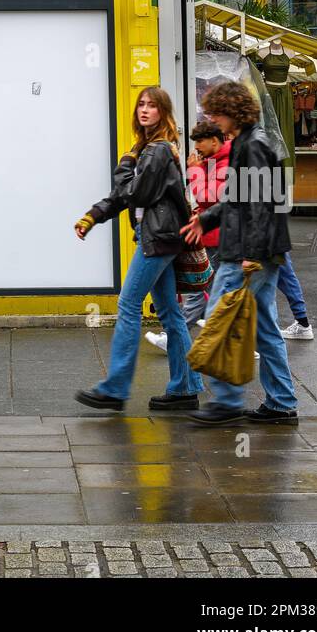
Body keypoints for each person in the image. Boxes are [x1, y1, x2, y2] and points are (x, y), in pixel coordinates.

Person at [73, 87, 204, 412]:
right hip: (160, 237)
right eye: (141, 105)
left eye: (152, 106)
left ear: (163, 112)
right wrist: (93, 216)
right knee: (172, 315)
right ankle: (185, 388)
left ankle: (116, 388)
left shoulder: (157, 151)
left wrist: (124, 166)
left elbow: (138, 193)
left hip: (158, 239)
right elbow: (124, 195)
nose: (145, 110)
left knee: (129, 304)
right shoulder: (145, 150)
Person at [182, 80, 298, 426]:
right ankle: (281, 403)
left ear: (233, 112)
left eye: (216, 112)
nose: (213, 119)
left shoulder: (252, 146)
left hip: (247, 253)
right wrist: (206, 219)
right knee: (264, 328)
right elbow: (237, 197)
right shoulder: (250, 142)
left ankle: (228, 401)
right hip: (258, 250)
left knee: (221, 319)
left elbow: (260, 203)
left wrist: (251, 254)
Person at [145, 120, 229, 352]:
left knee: (204, 290)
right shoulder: (214, 160)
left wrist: (194, 170)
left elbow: (208, 198)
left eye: (200, 142)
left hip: (218, 237)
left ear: (215, 140)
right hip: (213, 235)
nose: (197, 148)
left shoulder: (224, 162)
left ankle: (176, 338)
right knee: (206, 289)